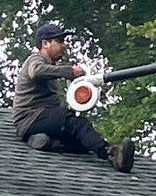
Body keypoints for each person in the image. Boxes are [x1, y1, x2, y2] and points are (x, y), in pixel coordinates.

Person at [12, 23, 135, 172]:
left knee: (82, 143)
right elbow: (36, 72)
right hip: (30, 118)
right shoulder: (36, 59)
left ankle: (46, 142)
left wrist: (93, 90)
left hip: (38, 119)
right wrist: (70, 71)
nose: (64, 45)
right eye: (59, 41)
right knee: (77, 123)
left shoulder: (50, 68)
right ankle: (112, 154)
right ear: (45, 44)